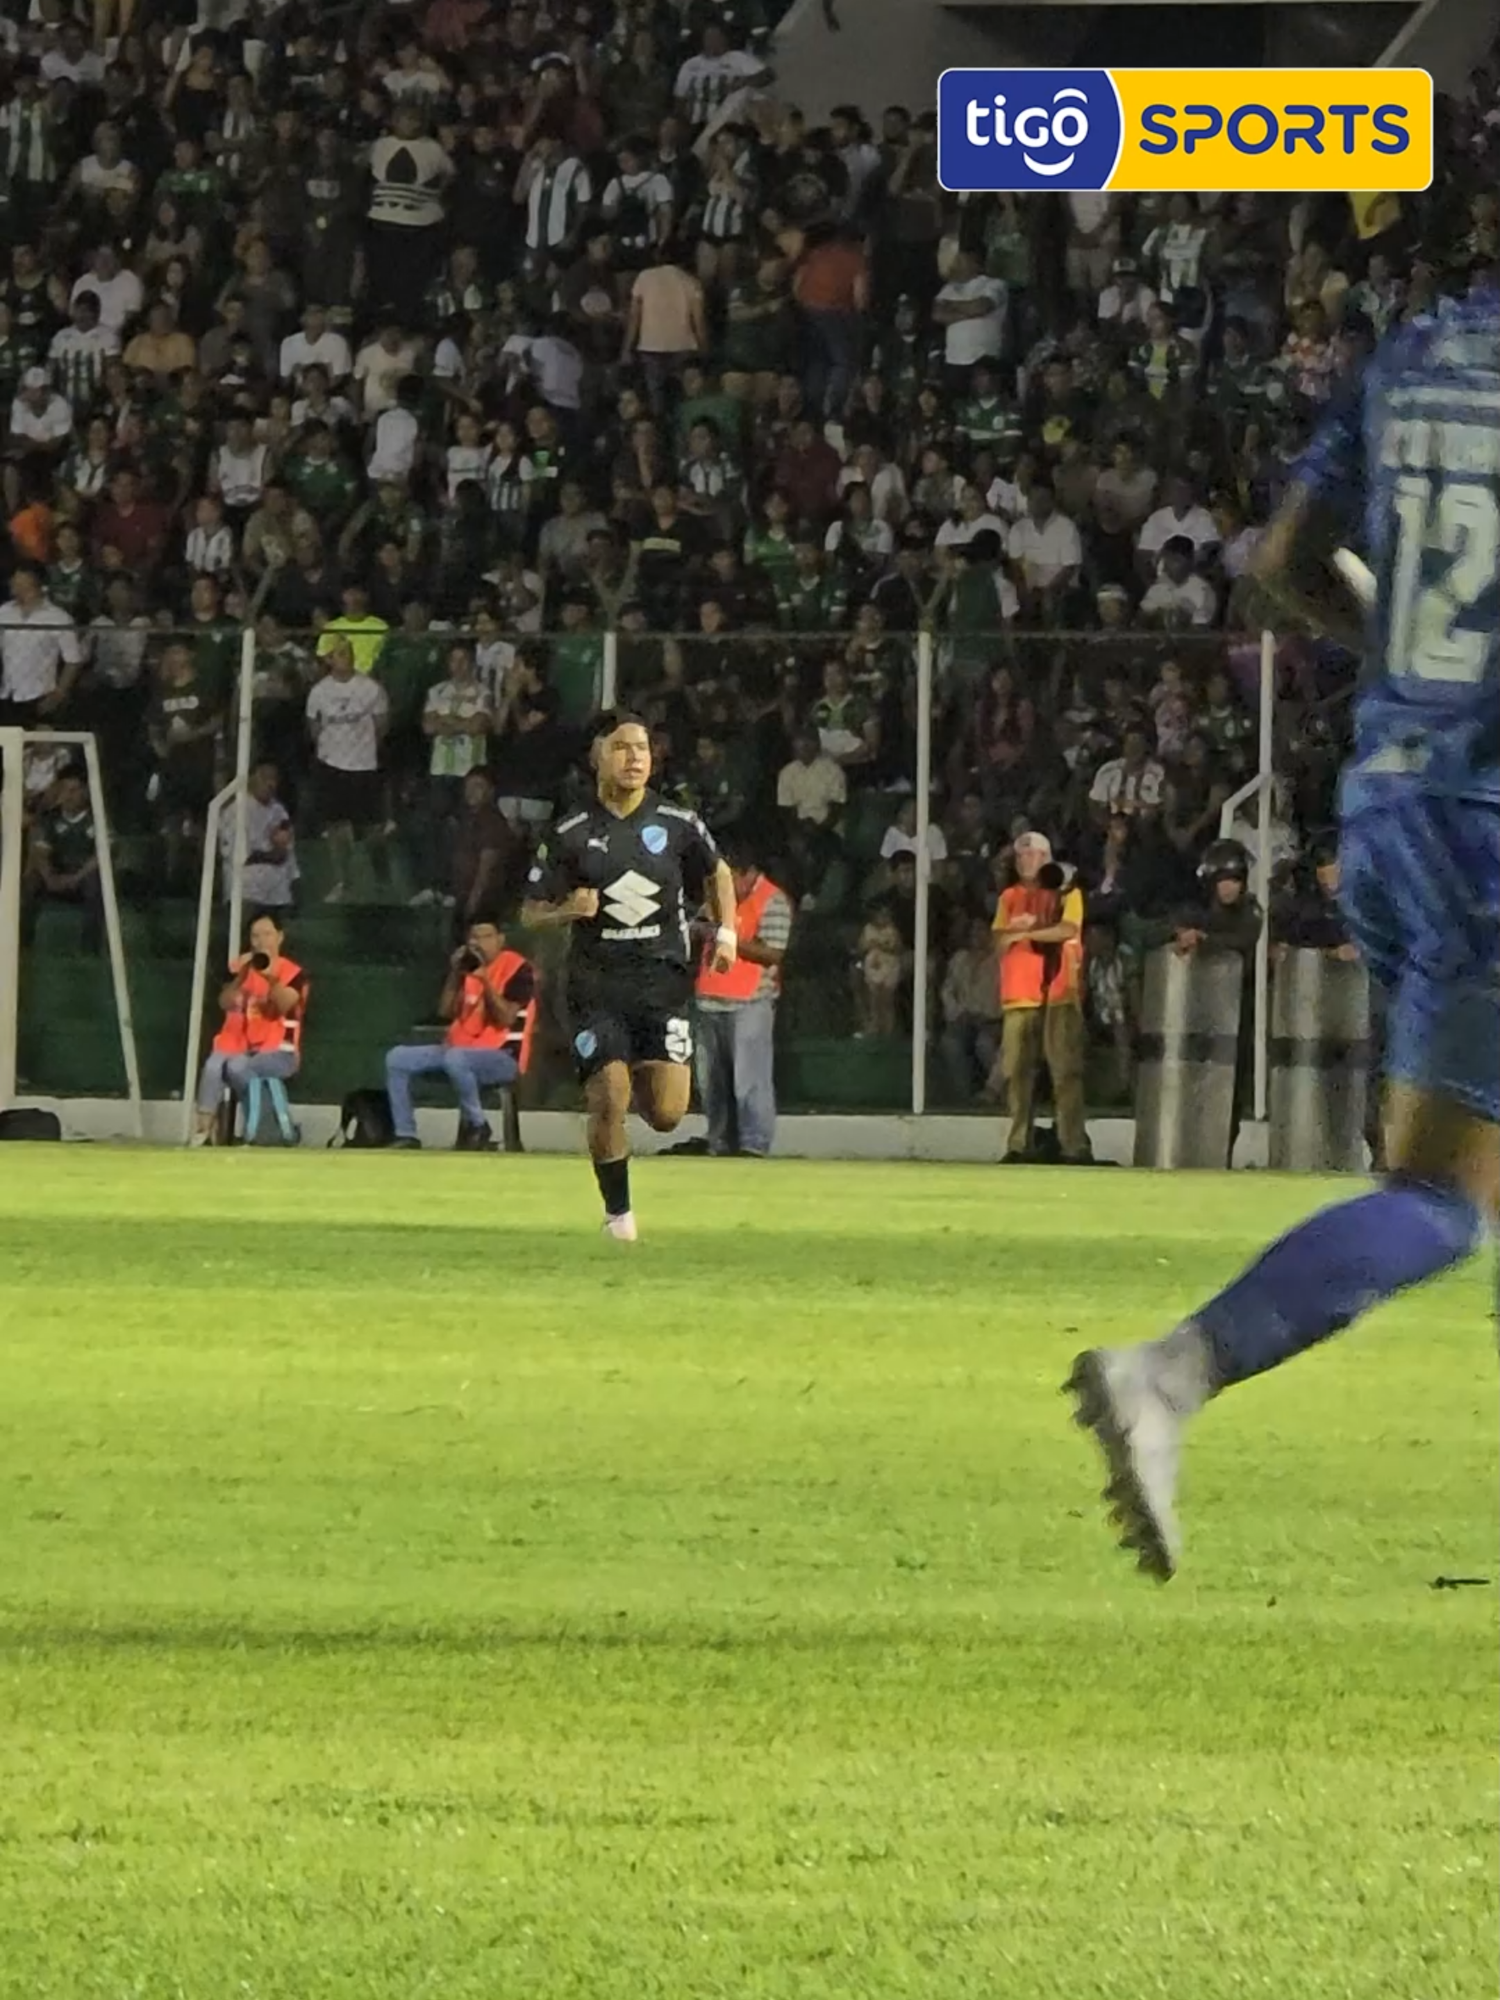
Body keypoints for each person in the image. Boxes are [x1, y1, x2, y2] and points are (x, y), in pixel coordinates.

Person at [1069, 277, 1500, 1581]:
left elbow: (1284, 564)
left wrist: (1424, 663)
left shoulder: (1428, 343)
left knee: (1446, 1178)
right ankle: (1172, 1371)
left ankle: (1178, 1372)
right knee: (1442, 1200)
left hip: (1393, 801)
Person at [521, 710, 737, 1241]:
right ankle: (619, 1215)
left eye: (642, 747)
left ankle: (624, 1078)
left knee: (666, 1114)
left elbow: (719, 871)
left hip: (662, 982)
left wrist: (726, 933)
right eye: (622, 747)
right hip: (597, 984)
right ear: (598, 757)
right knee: (609, 1096)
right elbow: (529, 911)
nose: (635, 757)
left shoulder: (678, 822)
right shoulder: (571, 831)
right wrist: (567, 909)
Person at [383, 917, 536, 1151]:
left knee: (456, 1058)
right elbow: (445, 1011)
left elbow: (506, 1017)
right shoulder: (466, 966)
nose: (480, 943)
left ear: (500, 940)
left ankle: (479, 1126)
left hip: (502, 1056)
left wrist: (485, 980)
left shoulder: (518, 968)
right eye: (474, 937)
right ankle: (406, 1133)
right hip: (457, 1050)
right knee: (397, 1058)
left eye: (487, 937)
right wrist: (456, 973)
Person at [991, 831, 1090, 1164]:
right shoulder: (1009, 897)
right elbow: (998, 941)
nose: (1025, 861)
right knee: (1017, 1073)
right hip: (1020, 992)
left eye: (1032, 855)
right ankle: (1020, 1143)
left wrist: (1024, 932)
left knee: (1065, 1071)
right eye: (1021, 856)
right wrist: (1022, 931)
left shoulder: (1067, 890)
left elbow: (1068, 930)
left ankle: (1073, 1145)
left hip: (1059, 988)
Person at [694, 841, 792, 1158]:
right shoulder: (715, 898)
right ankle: (719, 1142)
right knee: (712, 1085)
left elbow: (773, 954)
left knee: (750, 1082)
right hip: (710, 997)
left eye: (729, 877)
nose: (722, 885)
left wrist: (724, 936)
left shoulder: (772, 900)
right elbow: (698, 932)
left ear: (748, 874)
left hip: (751, 1001)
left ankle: (754, 1144)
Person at [192, 912, 308, 1144]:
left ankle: (269, 1127)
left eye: (267, 934)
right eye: (255, 936)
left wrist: (271, 978)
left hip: (279, 1050)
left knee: (237, 1067)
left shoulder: (293, 972)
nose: (261, 941)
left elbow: (286, 1003)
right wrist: (240, 977)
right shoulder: (241, 968)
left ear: (280, 937)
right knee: (215, 1066)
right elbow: (224, 1003)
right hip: (247, 1047)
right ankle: (204, 1131)